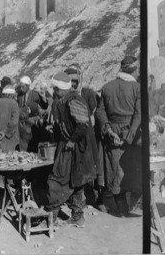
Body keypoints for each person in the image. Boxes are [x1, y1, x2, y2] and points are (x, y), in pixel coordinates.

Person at [44, 72, 96, 228]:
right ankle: (77, 217)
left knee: (56, 179)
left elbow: (82, 125)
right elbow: (69, 123)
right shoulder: (64, 100)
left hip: (75, 148)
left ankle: (51, 218)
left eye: (55, 88)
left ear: (61, 89)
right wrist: (55, 127)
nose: (53, 91)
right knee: (76, 182)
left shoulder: (73, 100)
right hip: (70, 145)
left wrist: (72, 141)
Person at [95, 56, 142, 216]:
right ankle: (133, 207)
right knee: (133, 172)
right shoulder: (137, 88)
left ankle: (122, 210)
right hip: (132, 136)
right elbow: (138, 114)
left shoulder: (107, 87)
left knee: (115, 172)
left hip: (112, 136)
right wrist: (130, 135)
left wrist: (109, 130)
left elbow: (99, 112)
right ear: (134, 70)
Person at [64, 66, 102, 209]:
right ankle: (79, 200)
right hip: (76, 136)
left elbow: (93, 114)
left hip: (87, 135)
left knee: (91, 166)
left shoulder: (88, 93)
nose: (73, 83)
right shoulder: (66, 96)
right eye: (70, 81)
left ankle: (97, 198)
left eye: (75, 80)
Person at [17, 76, 49, 152]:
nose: (21, 88)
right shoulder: (19, 95)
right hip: (22, 125)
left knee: (32, 144)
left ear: (28, 86)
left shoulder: (35, 94)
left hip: (32, 124)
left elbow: (44, 105)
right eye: (20, 86)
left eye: (23, 86)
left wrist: (43, 97)